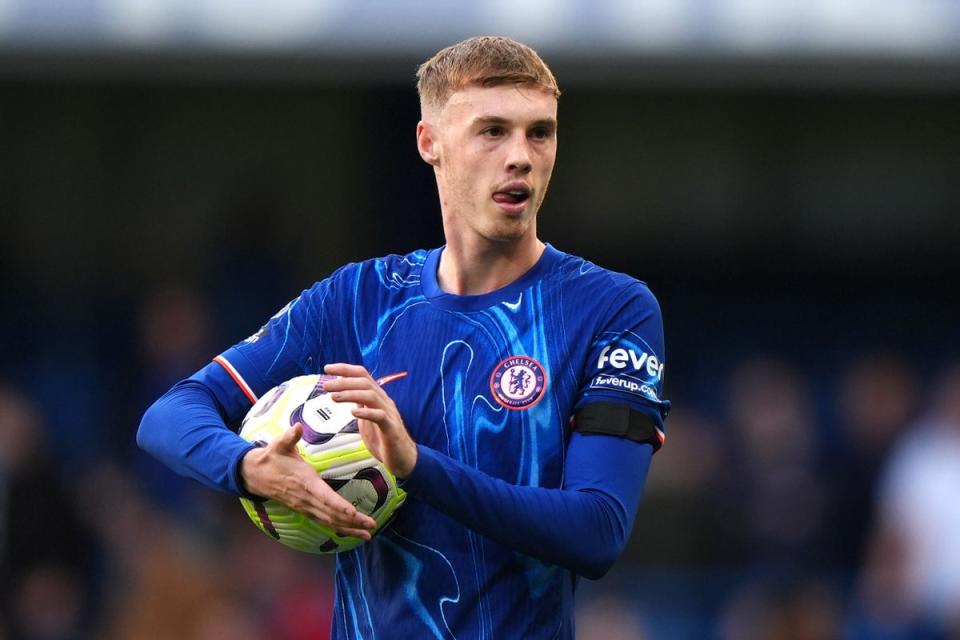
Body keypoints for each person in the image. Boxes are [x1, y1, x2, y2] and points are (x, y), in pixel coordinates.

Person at [138, 35, 670, 639]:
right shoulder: (357, 299)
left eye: (539, 132)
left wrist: (415, 465)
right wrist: (251, 466)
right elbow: (171, 414)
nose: (520, 155)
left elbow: (597, 531)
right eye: (492, 131)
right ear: (430, 143)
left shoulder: (610, 308)